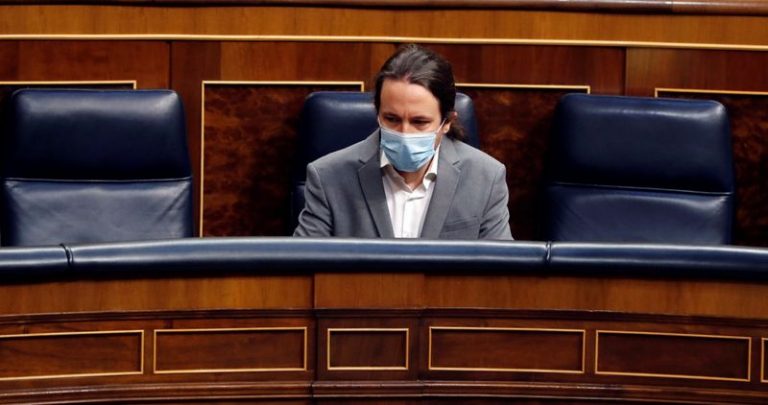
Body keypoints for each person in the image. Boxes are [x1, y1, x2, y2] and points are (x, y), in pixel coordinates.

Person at [294, 44, 512, 239]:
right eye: (392, 119)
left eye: (419, 122)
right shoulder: (328, 177)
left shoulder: (486, 178)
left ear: (447, 122)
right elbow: (302, 272)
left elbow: (499, 276)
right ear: (377, 114)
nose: (404, 133)